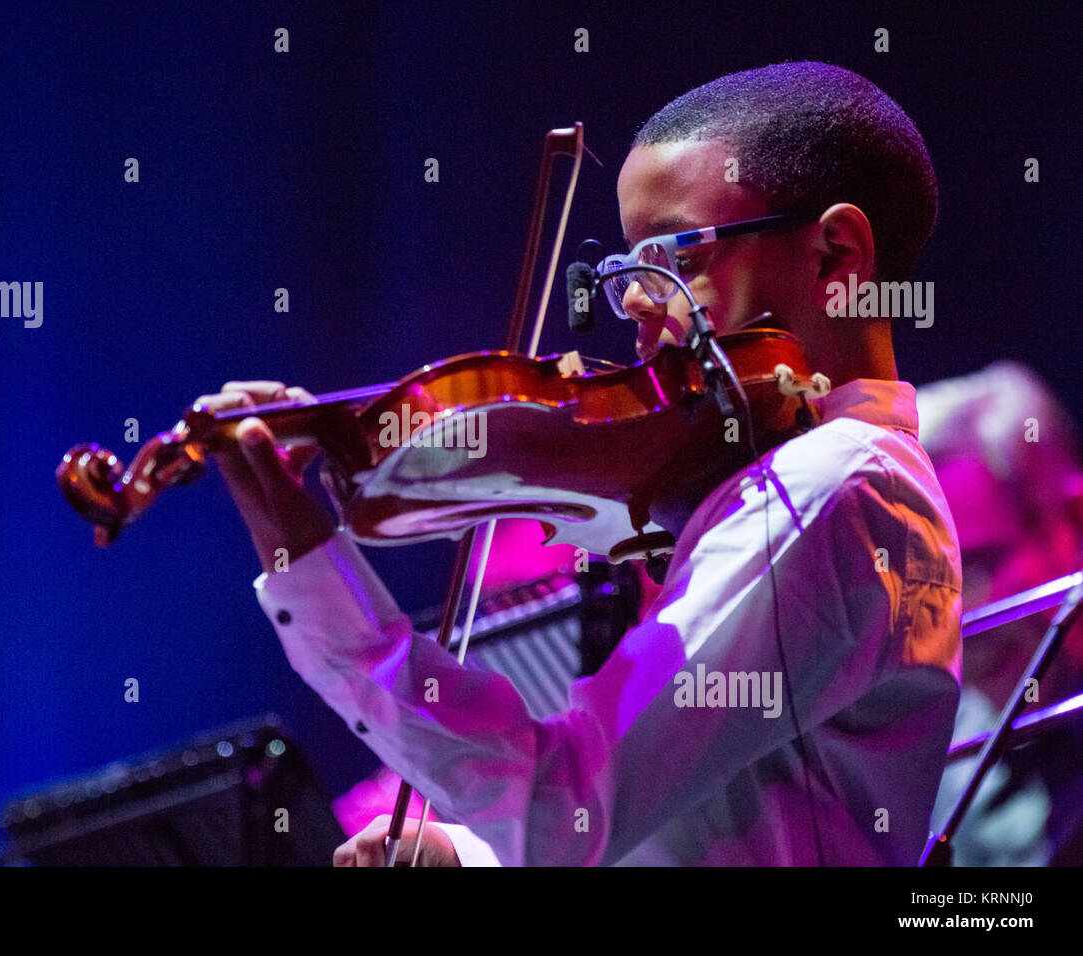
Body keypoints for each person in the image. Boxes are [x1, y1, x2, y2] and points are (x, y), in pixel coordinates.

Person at [201, 61, 962, 865]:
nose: (633, 299)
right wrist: (471, 857)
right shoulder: (785, 483)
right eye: (625, 267)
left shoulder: (832, 487)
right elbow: (699, 820)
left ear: (836, 259)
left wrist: (322, 590)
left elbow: (563, 811)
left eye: (672, 254)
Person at [918, 361, 1083, 865]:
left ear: (1072, 522)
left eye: (983, 563)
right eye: (929, 587)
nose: (958, 620)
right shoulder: (930, 766)